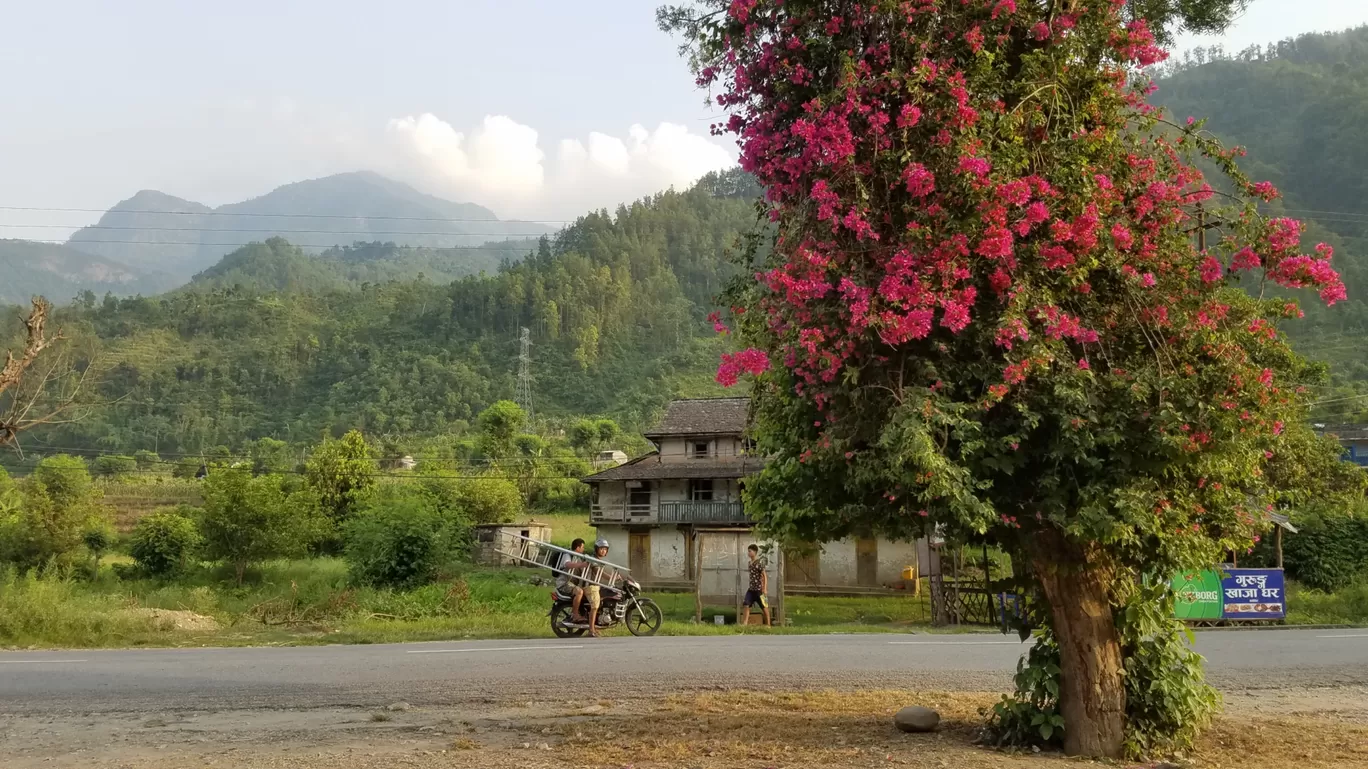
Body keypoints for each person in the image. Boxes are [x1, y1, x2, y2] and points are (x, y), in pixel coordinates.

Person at [570, 538, 612, 637]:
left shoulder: (597, 560)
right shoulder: (593, 559)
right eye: (601, 548)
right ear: (596, 549)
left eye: (605, 549)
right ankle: (591, 630)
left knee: (600, 605)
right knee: (595, 606)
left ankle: (595, 628)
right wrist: (612, 577)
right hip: (590, 586)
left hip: (595, 586)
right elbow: (598, 572)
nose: (603, 551)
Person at [741, 544, 772, 628]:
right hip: (751, 589)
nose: (748, 553)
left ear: (755, 552)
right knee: (746, 604)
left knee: (764, 606)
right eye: (748, 551)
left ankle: (768, 624)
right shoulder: (749, 563)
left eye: (750, 551)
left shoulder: (759, 563)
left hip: (759, 589)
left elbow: (764, 575)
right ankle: (745, 623)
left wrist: (764, 588)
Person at [555, 538, 586, 612]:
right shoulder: (568, 554)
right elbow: (568, 564)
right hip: (564, 584)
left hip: (572, 584)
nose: (583, 549)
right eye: (582, 547)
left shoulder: (577, 557)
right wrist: (581, 565)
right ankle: (574, 615)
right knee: (579, 592)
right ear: (578, 548)